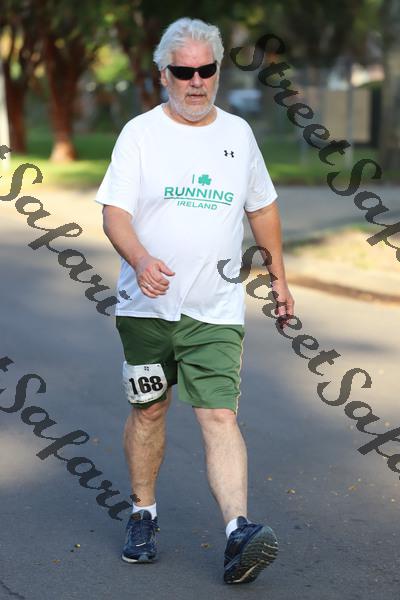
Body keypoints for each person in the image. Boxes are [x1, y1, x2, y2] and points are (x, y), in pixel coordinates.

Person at [95, 16, 294, 585]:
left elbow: (262, 207)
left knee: (219, 414)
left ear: (218, 71)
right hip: (146, 308)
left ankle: (238, 534)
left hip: (216, 309)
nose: (197, 81)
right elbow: (114, 213)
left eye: (206, 69)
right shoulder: (139, 134)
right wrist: (140, 261)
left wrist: (279, 277)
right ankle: (143, 513)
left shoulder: (239, 134)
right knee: (149, 409)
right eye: (184, 72)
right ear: (164, 75)